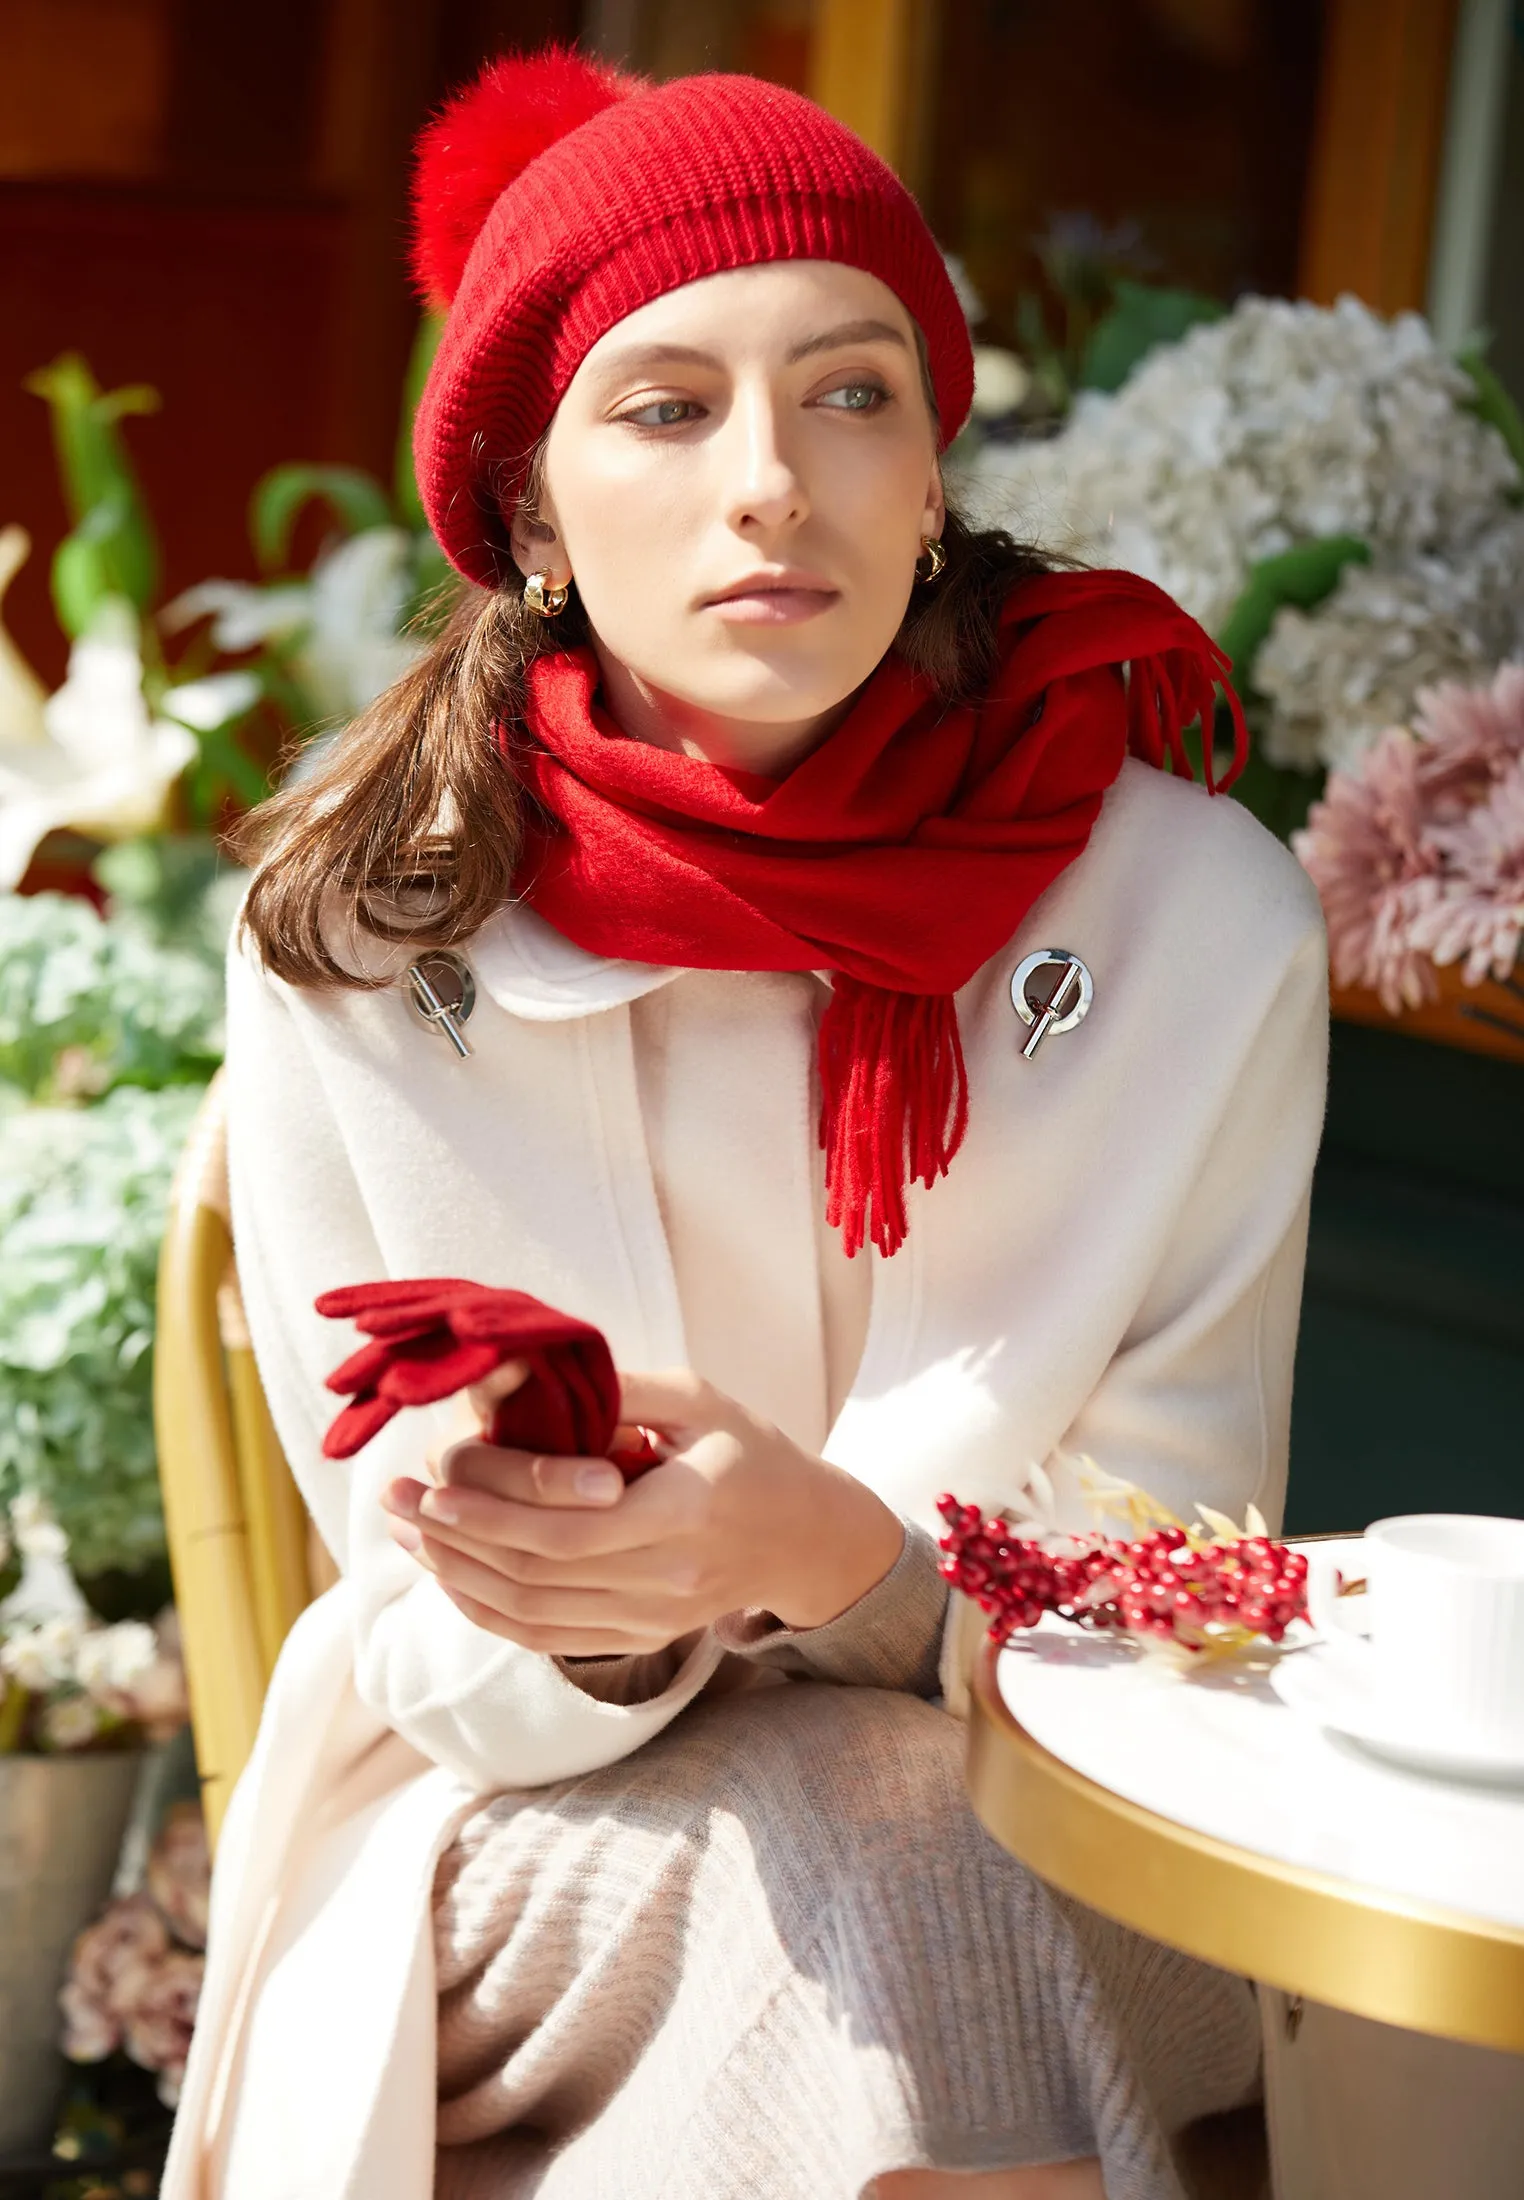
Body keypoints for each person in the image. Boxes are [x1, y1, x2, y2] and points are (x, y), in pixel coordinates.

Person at [161, 49, 1328, 2200]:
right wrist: (611, 1593)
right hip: (526, 1832)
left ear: (934, 462)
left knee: (908, 1880)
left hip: (1060, 1817)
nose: (774, 480)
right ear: (525, 505)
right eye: (670, 405)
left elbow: (1179, 1605)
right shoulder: (361, 929)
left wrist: (843, 1565)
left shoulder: (1193, 919)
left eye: (852, 391)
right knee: (872, 1890)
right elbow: (437, 1669)